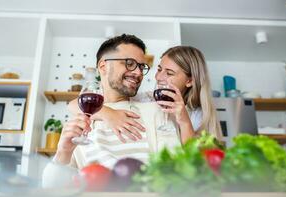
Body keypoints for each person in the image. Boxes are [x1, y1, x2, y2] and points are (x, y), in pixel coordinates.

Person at [53, 34, 181, 169]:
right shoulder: (81, 122)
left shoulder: (155, 111)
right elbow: (55, 185)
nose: (138, 73)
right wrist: (63, 153)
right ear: (103, 66)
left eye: (141, 67)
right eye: (129, 63)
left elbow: (174, 170)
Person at [69, 46, 222, 143]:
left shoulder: (198, 115)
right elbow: (74, 105)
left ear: (189, 81)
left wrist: (183, 121)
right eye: (159, 69)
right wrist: (109, 114)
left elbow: (195, 161)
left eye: (169, 73)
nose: (159, 77)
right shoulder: (148, 99)